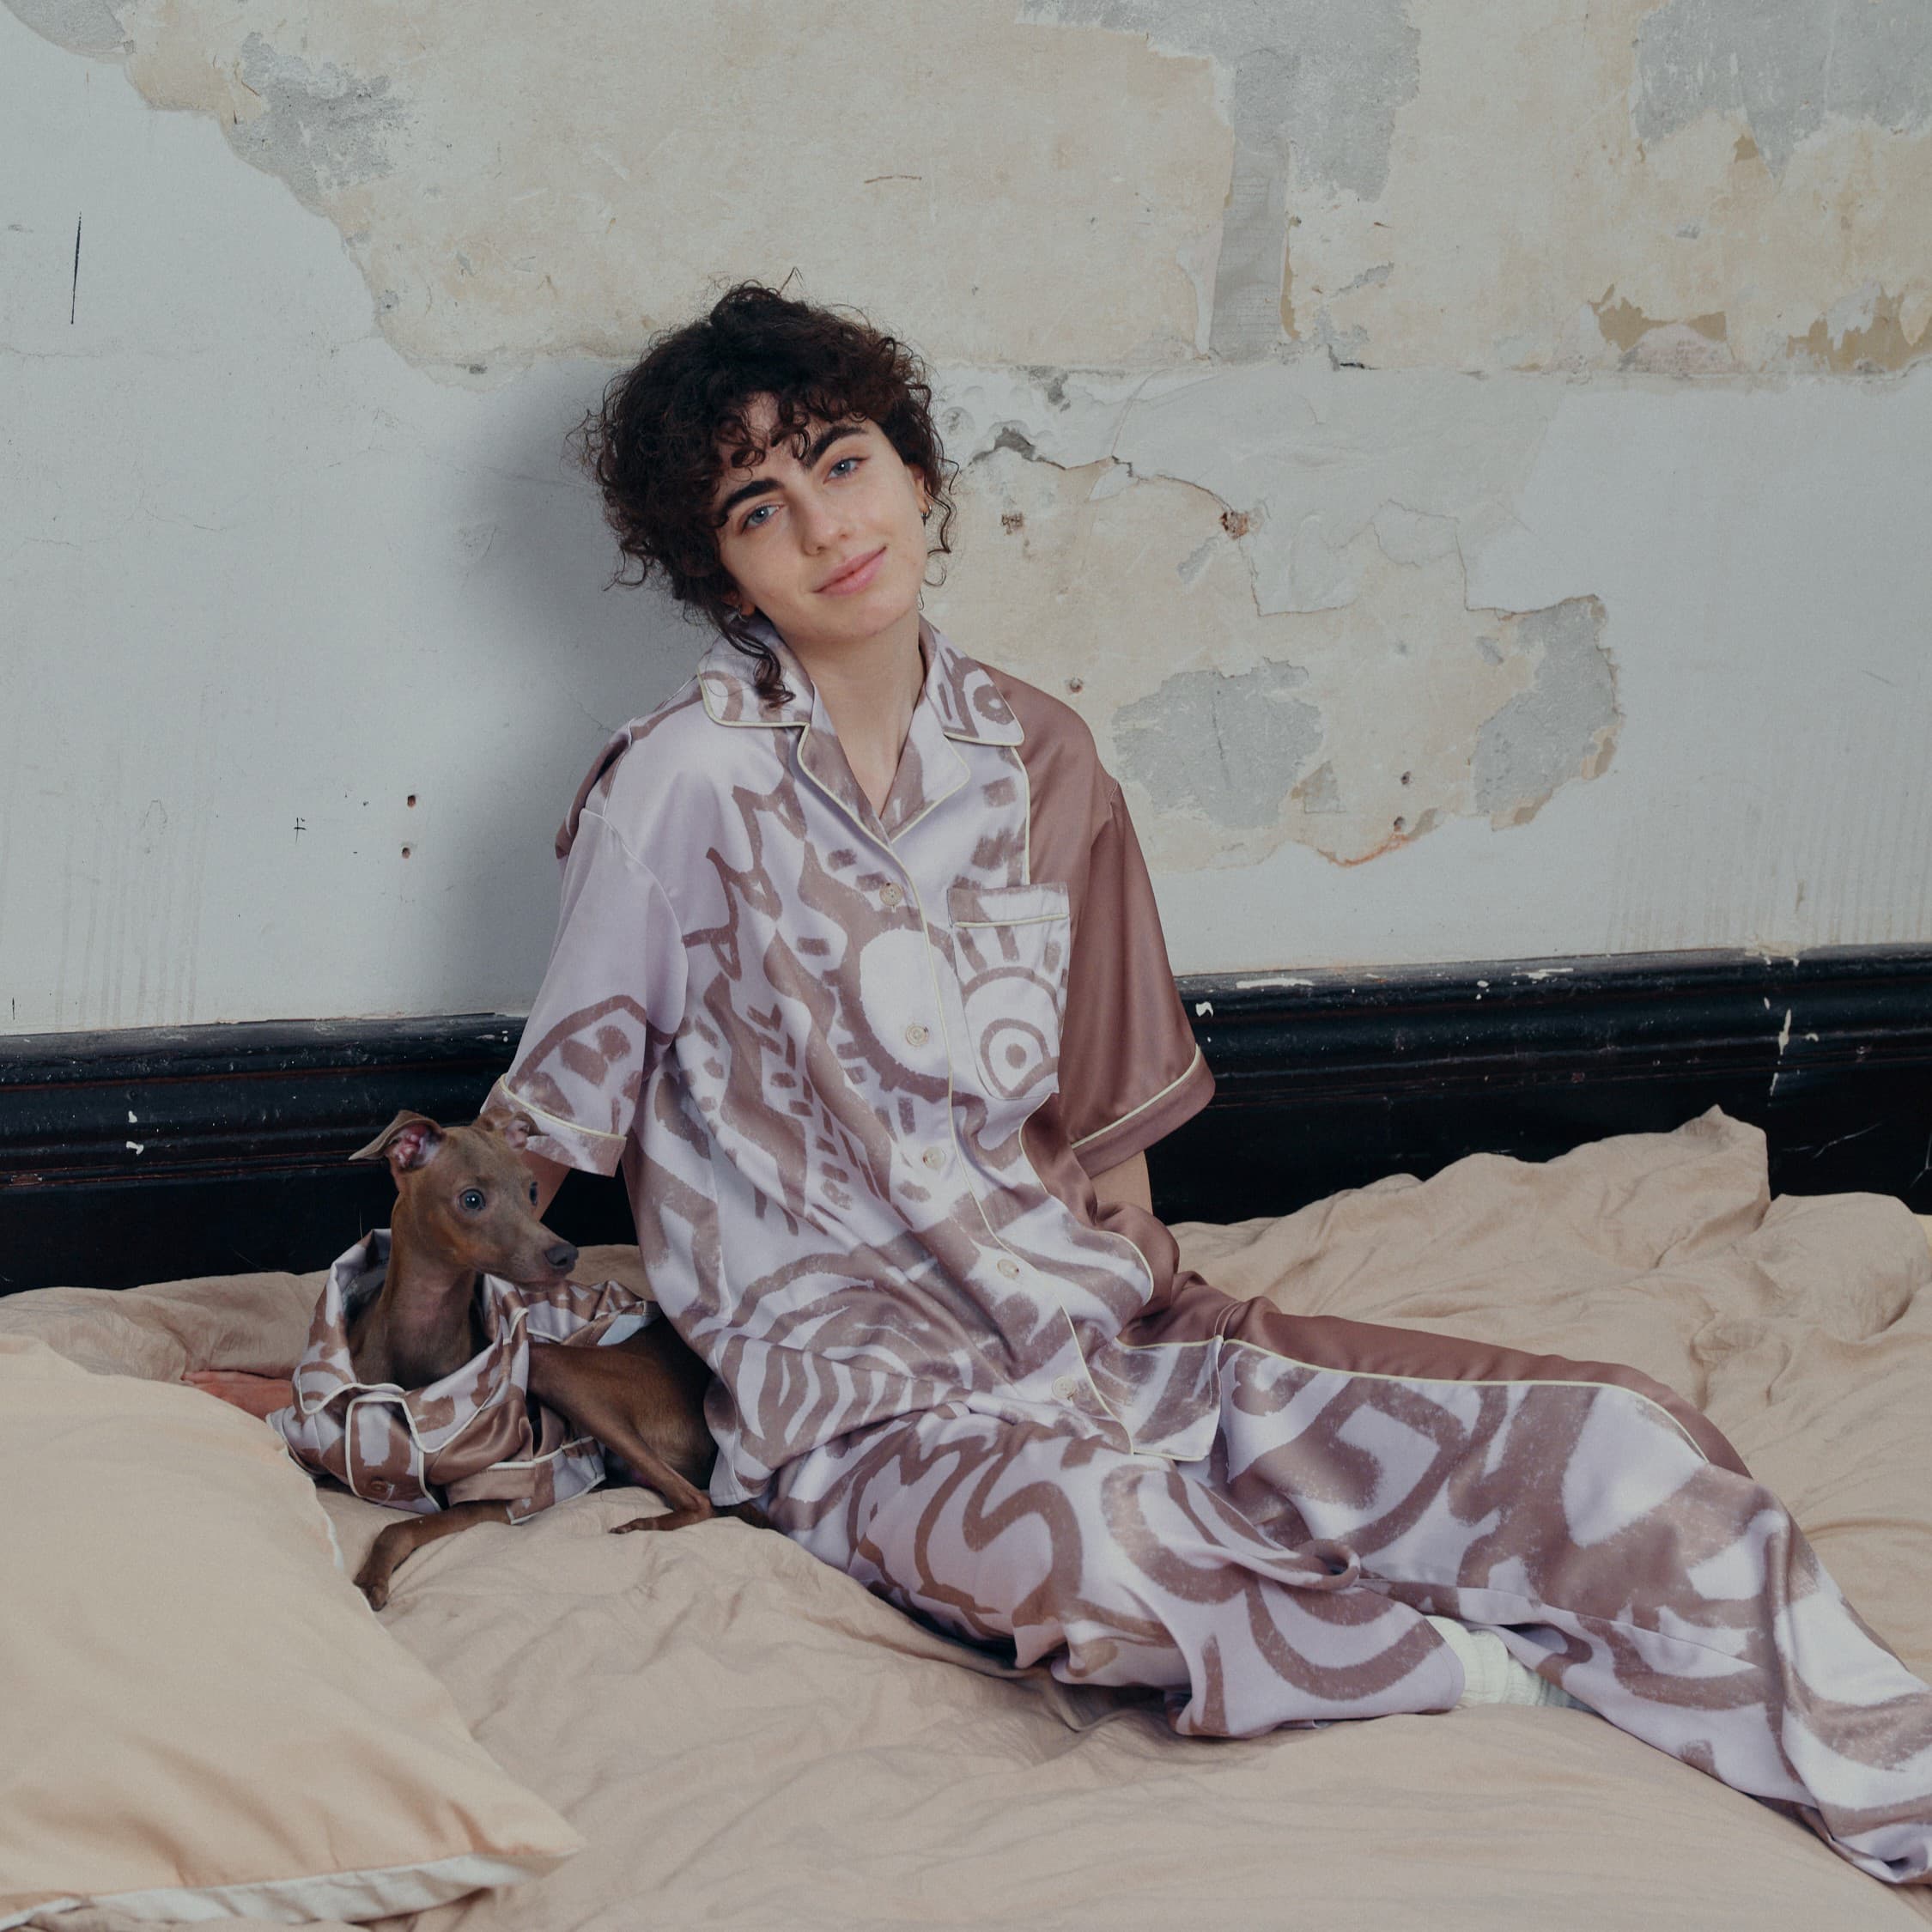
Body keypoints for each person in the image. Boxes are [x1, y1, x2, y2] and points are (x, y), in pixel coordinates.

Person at [493, 283, 1932, 1886]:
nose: (824, 524)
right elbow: (543, 1128)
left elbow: (1107, 1147)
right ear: (721, 571)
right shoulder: (680, 782)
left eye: (841, 461)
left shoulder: (1042, 754)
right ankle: (1494, 1674)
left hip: (1102, 1334)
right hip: (861, 1404)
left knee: (1618, 1442)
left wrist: (1203, 1381)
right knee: (1106, 1551)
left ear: (913, 470)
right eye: (758, 508)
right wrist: (393, 1351)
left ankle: (1897, 1781)